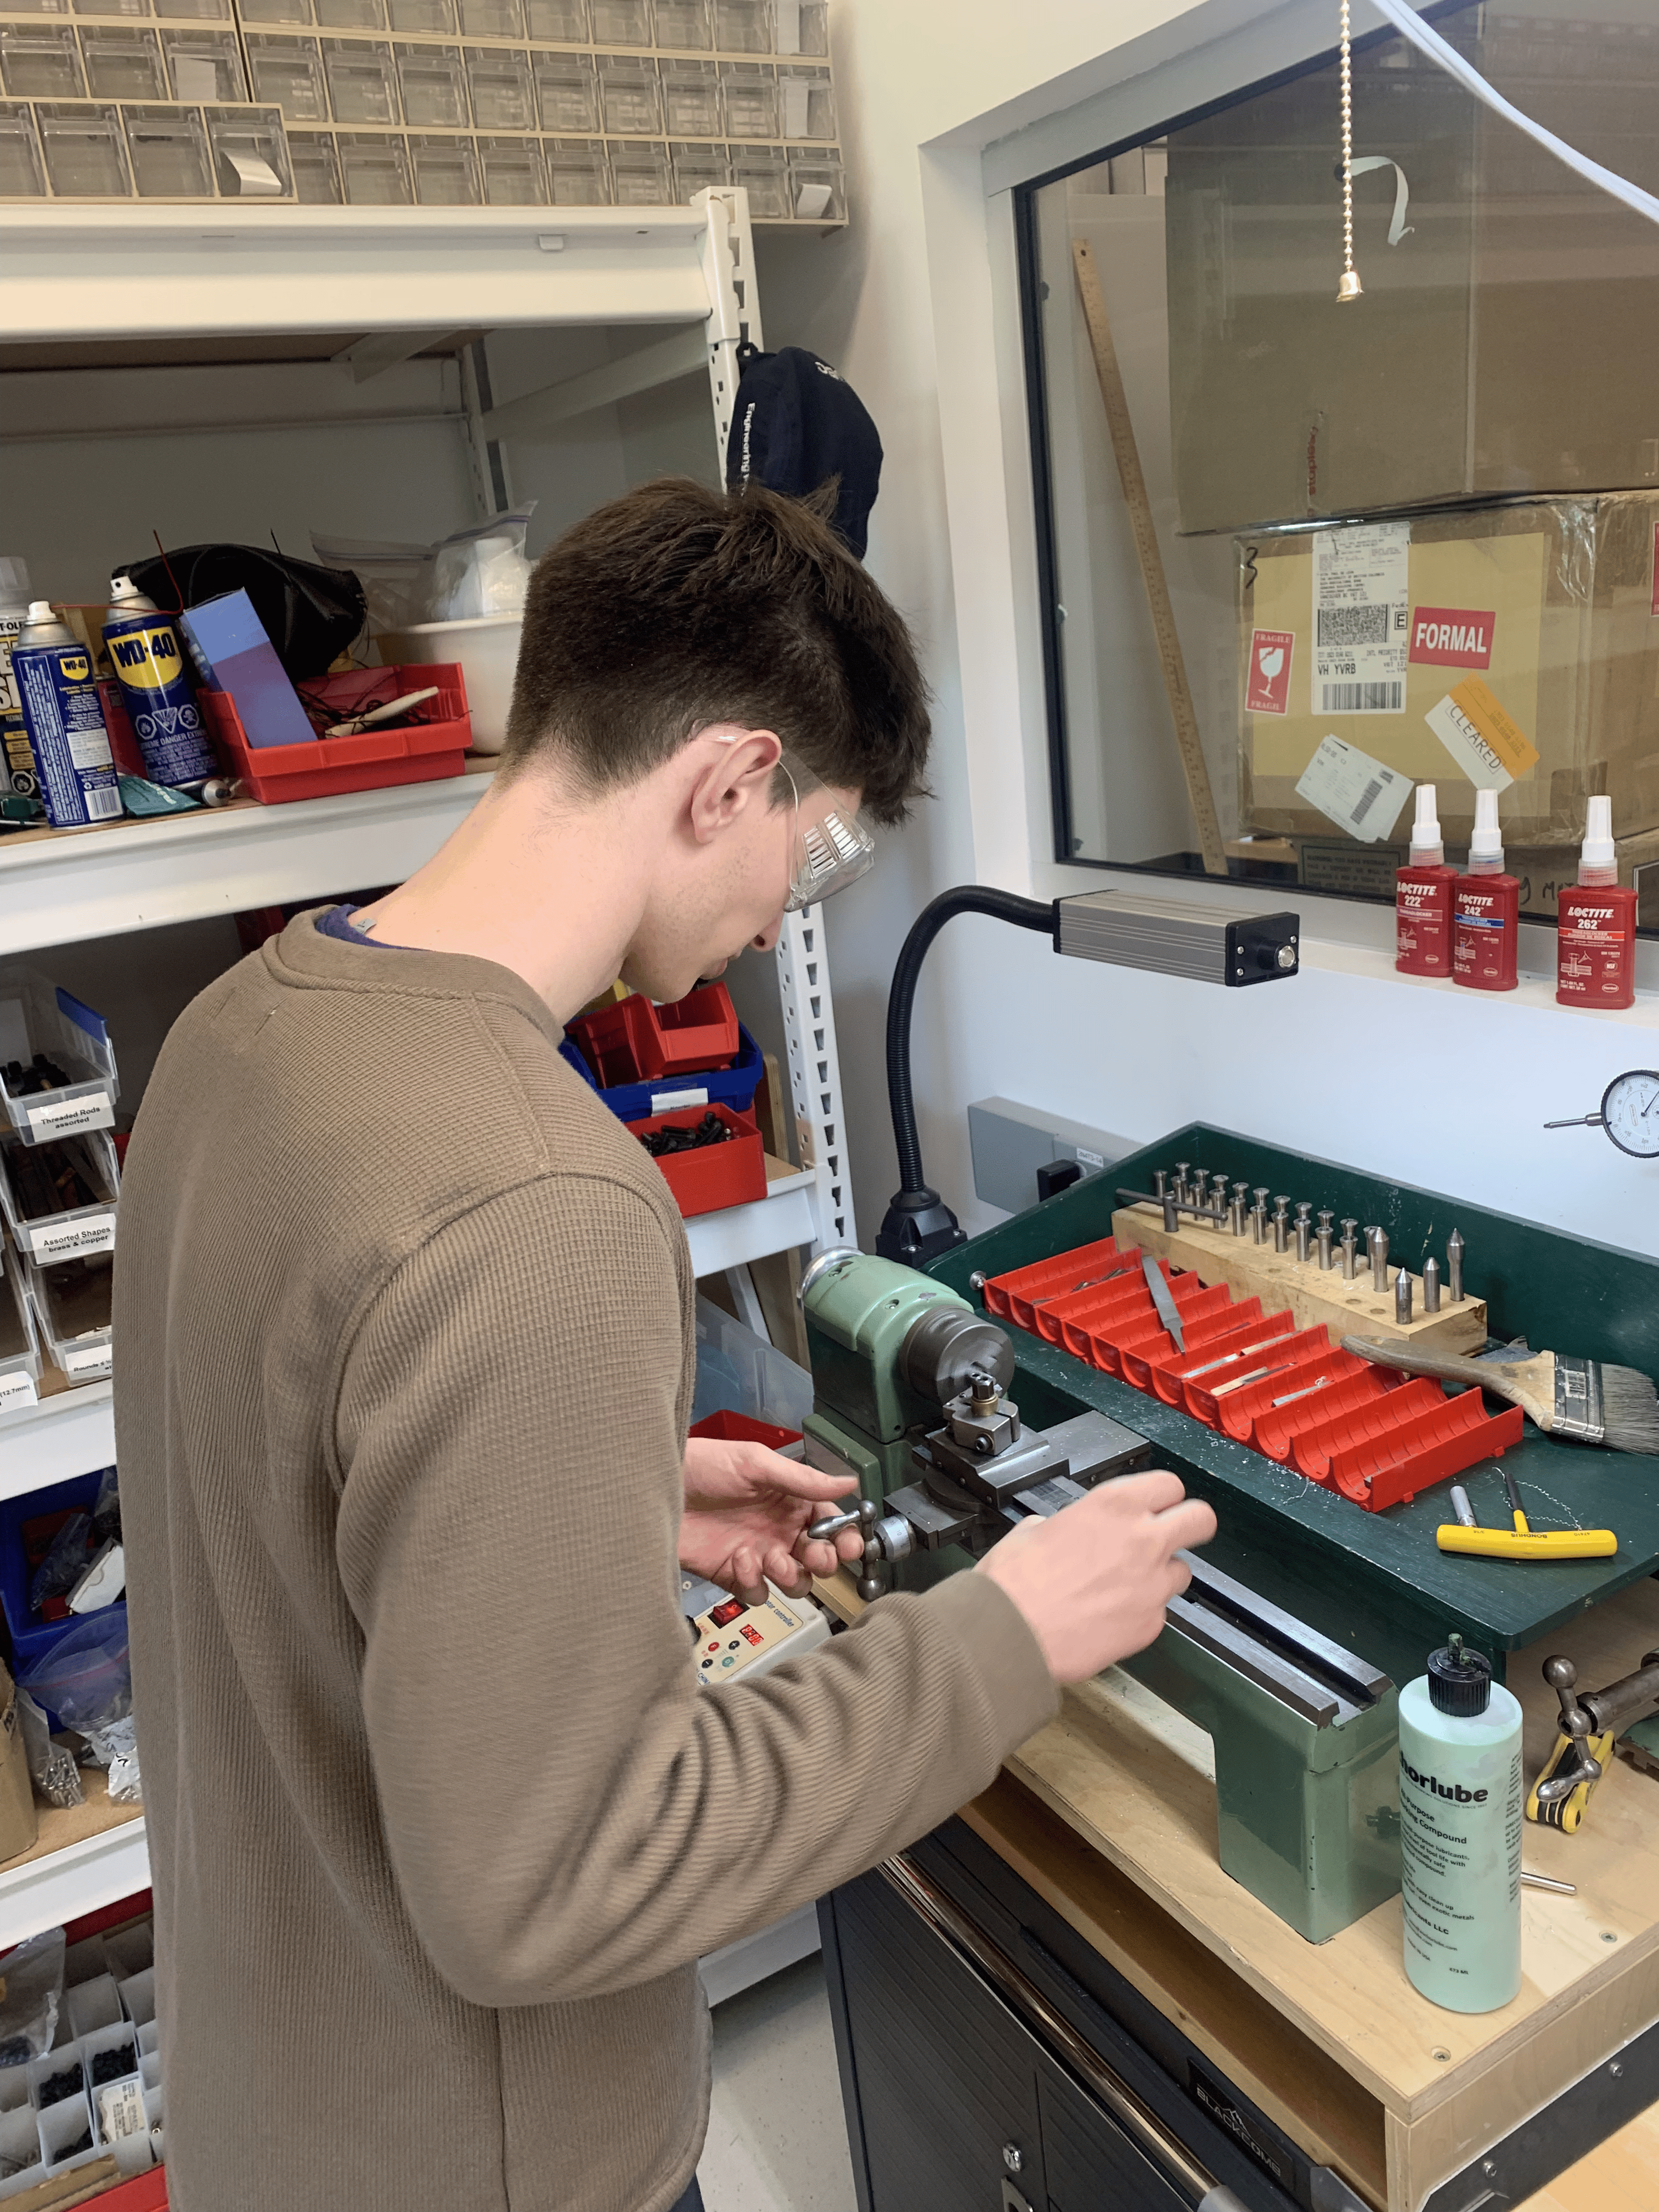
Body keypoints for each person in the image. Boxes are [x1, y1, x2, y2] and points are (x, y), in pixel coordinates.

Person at [114, 477, 1216, 2212]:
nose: (788, 913)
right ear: (726, 782)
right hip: (487, 2168)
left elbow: (292, 1510)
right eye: (815, 851)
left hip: (277, 2114)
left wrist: (608, 1493)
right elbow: (554, 1885)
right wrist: (999, 1644)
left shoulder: (240, 1033)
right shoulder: (541, 1200)